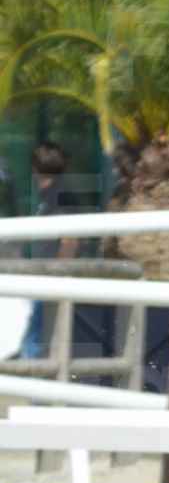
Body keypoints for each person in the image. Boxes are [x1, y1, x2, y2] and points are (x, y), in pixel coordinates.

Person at [21, 141, 78, 359]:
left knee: (36, 339)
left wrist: (58, 273)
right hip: (44, 275)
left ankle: (35, 389)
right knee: (37, 336)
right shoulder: (51, 197)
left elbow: (70, 240)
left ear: (35, 169)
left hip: (50, 277)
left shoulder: (60, 196)